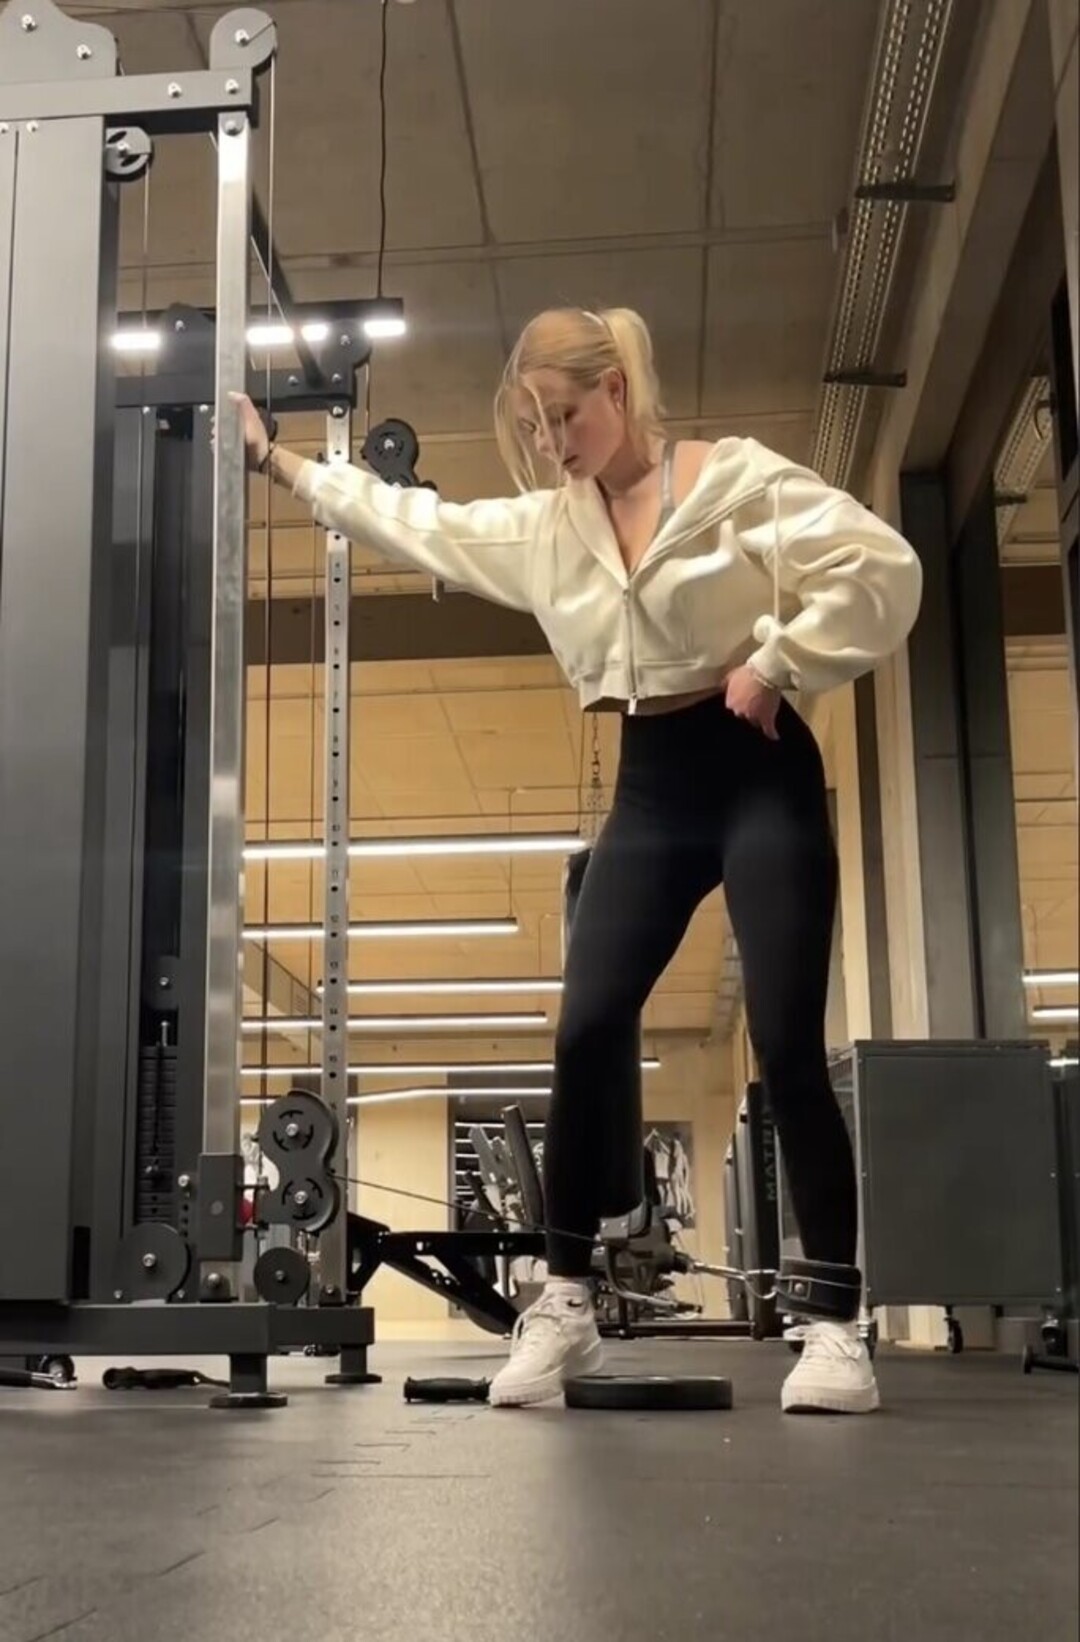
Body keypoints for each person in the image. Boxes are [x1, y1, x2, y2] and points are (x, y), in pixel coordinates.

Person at [232, 305, 922, 1415]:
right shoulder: (551, 530)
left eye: (565, 416)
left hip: (758, 766)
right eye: (534, 426)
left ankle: (837, 1327)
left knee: (789, 1041)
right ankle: (564, 1307)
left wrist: (783, 657)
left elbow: (882, 566)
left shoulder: (736, 484)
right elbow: (421, 523)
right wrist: (278, 461)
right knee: (587, 1027)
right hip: (652, 786)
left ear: (617, 390)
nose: (553, 443)